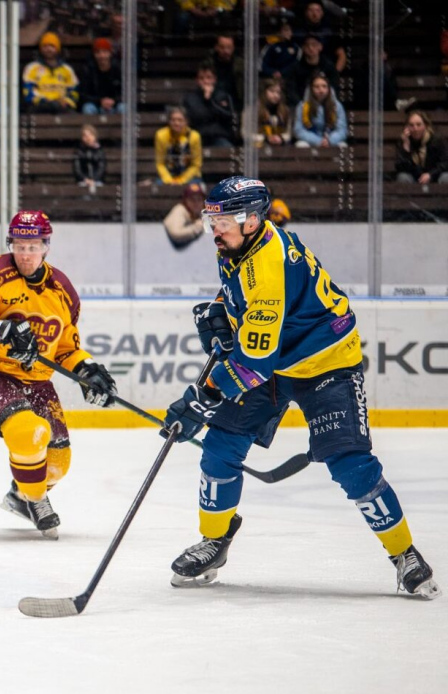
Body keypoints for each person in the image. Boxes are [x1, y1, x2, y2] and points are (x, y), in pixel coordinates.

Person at [162, 176, 439, 600]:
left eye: (222, 220)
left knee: (350, 463)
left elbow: (253, 362)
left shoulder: (269, 267)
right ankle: (215, 541)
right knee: (221, 447)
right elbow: (243, 297)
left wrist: (203, 396)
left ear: (252, 220)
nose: (213, 228)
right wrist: (221, 312)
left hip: (325, 362)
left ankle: (404, 554)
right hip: (274, 359)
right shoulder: (239, 243)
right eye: (211, 218)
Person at [0, 210, 118, 538]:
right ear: (10, 243)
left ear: (46, 247)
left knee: (59, 462)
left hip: (36, 380)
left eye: (33, 246)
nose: (25, 254)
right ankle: (36, 500)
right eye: (19, 245)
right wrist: (3, 331)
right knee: (28, 432)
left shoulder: (63, 291)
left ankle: (20, 495)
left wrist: (86, 370)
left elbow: (66, 349)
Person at [182, 62, 236, 148]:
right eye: (201, 78)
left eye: (209, 77)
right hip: (197, 137)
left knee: (228, 149)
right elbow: (192, 118)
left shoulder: (223, 96)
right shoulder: (189, 98)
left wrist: (210, 101)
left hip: (219, 136)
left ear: (214, 79)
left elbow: (229, 117)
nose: (205, 81)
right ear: (197, 80)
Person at [22, 32, 79, 114]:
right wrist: (44, 101)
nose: (48, 49)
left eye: (52, 46)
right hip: (39, 107)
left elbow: (74, 92)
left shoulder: (67, 69)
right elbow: (28, 93)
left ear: (57, 48)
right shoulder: (32, 68)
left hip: (62, 107)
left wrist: (67, 101)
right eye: (45, 46)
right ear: (41, 48)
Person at [293, 72, 346, 148]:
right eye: (317, 87)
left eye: (324, 86)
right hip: (311, 140)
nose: (321, 90)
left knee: (343, 146)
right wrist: (318, 141)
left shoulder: (337, 106)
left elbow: (342, 130)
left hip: (330, 140)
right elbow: (298, 130)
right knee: (301, 145)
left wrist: (330, 140)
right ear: (311, 88)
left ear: (329, 88)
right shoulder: (302, 106)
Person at [152, 106, 203, 186]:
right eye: (173, 120)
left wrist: (181, 181)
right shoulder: (161, 135)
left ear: (186, 122)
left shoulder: (194, 136)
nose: (176, 123)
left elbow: (196, 165)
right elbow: (160, 163)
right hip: (168, 175)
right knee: (158, 186)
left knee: (195, 188)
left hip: (189, 177)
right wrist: (169, 180)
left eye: (180, 120)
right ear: (169, 121)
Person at [283, 33, 338, 106]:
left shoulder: (329, 66)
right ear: (303, 48)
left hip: (325, 105)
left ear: (320, 47)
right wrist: (301, 105)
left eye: (314, 45)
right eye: (307, 45)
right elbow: (291, 89)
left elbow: (333, 87)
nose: (311, 48)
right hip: (301, 105)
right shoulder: (295, 68)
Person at [394, 110, 448, 184]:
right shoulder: (404, 141)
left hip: (435, 175)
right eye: (411, 125)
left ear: (425, 125)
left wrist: (430, 175)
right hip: (414, 177)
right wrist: (406, 147)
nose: (415, 129)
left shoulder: (436, 140)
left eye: (419, 125)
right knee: (402, 177)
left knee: (446, 177)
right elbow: (400, 167)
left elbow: (445, 163)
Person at [79, 38, 123, 115]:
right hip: (96, 105)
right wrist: (100, 101)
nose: (102, 55)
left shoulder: (118, 69)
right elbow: (83, 95)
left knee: (123, 108)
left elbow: (126, 93)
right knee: (87, 108)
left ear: (110, 53)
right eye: (98, 52)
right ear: (94, 54)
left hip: (115, 105)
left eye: (105, 52)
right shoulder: (88, 70)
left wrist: (114, 101)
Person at [163, 182, 207, 249]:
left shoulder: (202, 212)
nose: (196, 203)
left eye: (199, 199)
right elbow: (176, 233)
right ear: (185, 200)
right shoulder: (179, 210)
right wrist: (197, 228)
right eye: (192, 199)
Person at [253, 78, 292, 147]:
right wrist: (266, 138)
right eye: (272, 91)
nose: (276, 95)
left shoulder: (285, 110)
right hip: (259, 146)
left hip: (280, 146)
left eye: (278, 92)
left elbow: (289, 132)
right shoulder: (253, 110)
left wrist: (281, 138)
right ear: (264, 92)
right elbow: (246, 133)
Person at [211, 34, 242, 111]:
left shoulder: (241, 65)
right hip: (213, 102)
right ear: (216, 47)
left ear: (233, 48)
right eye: (222, 47)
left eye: (229, 47)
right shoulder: (209, 64)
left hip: (236, 104)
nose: (226, 51)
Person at [73, 124, 105, 191]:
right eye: (85, 136)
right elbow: (77, 169)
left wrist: (94, 179)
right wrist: (85, 179)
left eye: (90, 135)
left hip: (97, 180)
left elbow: (101, 168)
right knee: (82, 189)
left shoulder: (100, 151)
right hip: (83, 181)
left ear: (95, 136)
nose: (88, 138)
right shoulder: (79, 151)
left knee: (98, 188)